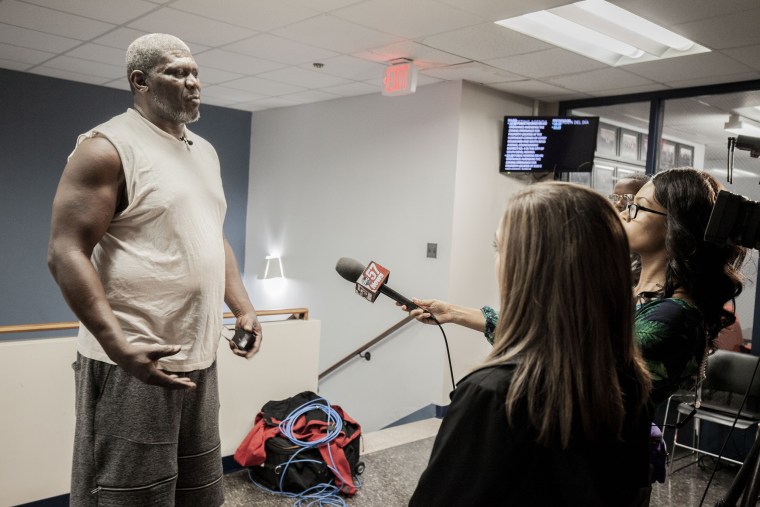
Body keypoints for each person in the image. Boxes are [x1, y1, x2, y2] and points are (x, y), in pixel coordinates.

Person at [47, 33, 262, 506]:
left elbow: (212, 234)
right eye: (178, 73)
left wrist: (242, 307)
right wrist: (118, 346)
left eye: (195, 72)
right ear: (140, 81)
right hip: (132, 361)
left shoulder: (204, 151)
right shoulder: (107, 148)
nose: (193, 83)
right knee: (129, 497)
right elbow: (66, 252)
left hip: (199, 359)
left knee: (198, 494)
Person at [407, 168, 745, 406]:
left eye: (636, 207)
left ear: (675, 224)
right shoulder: (633, 290)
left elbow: (572, 367)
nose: (623, 214)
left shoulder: (674, 316)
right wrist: (453, 313)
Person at [409, 182, 653, 506]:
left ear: (529, 268)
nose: (498, 262)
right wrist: (454, 312)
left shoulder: (492, 396)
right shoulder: (630, 383)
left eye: (501, 249)